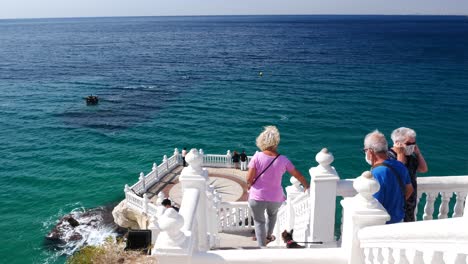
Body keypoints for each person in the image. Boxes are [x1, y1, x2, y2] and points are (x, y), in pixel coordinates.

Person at [246, 126, 309, 247]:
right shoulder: (283, 159)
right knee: (272, 215)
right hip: (275, 198)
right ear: (276, 142)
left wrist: (249, 185)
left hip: (257, 197)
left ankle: (261, 247)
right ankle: (269, 235)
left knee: (259, 222)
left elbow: (249, 179)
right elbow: (298, 175)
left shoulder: (257, 157)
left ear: (261, 141)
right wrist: (306, 185)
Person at [363, 130, 413, 224]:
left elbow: (374, 203)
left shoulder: (376, 173)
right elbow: (409, 189)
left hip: (383, 223)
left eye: (365, 150)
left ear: (370, 151)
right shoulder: (400, 165)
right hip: (399, 219)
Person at [389, 127, 428, 222]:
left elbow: (423, 169)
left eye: (414, 143)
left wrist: (418, 153)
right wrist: (400, 153)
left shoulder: (411, 157)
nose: (412, 146)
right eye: (409, 143)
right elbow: (399, 172)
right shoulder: (389, 156)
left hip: (410, 207)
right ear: (397, 142)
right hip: (396, 205)